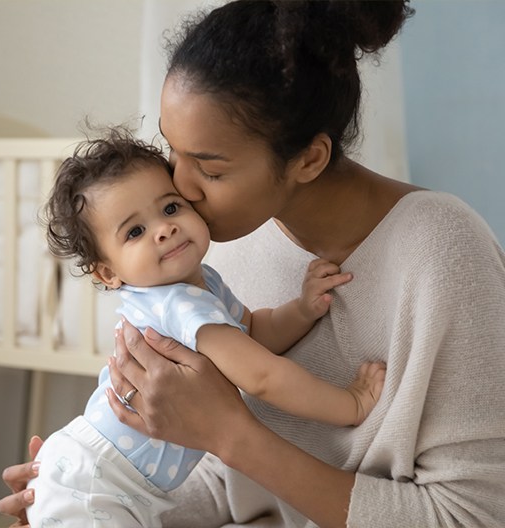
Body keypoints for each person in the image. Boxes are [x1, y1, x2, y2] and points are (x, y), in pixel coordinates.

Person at [0, 1, 505, 527]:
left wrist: (230, 434)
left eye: (210, 169)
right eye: (174, 153)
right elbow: (224, 479)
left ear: (309, 158)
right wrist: (88, 497)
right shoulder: (216, 244)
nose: (180, 190)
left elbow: (474, 516)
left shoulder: (443, 251)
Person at [23, 127, 384, 526]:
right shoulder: (178, 304)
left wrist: (301, 310)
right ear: (109, 272)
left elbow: (253, 333)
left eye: (171, 207)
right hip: (97, 483)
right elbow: (262, 376)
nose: (165, 228)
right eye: (136, 232)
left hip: (101, 479)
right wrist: (349, 404)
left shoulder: (202, 282)